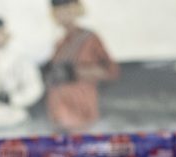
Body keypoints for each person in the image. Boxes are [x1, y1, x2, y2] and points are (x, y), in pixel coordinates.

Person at [43, 0, 119, 133]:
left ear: (76, 10)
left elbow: (111, 71)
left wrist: (77, 71)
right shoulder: (60, 44)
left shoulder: (89, 39)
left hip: (80, 111)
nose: (62, 15)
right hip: (58, 114)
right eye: (58, 11)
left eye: (66, 10)